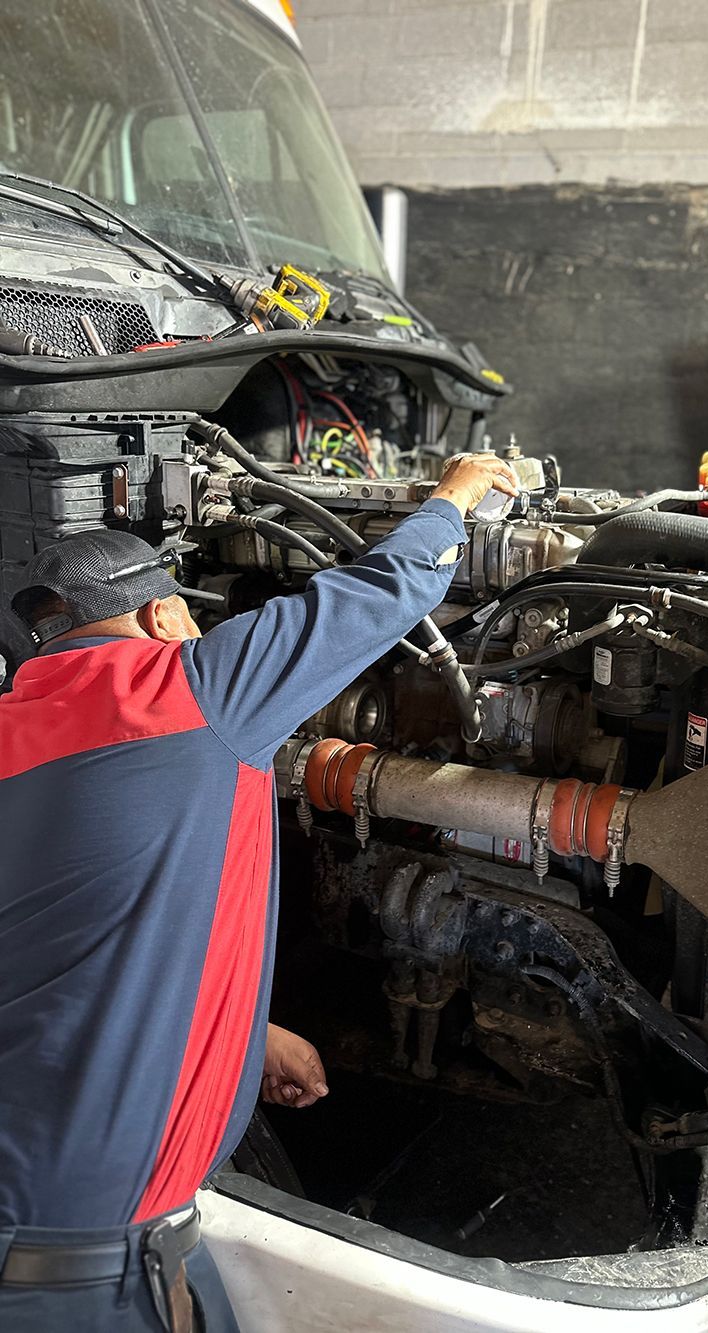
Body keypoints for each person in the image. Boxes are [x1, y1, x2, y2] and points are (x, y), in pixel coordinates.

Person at [0, 451, 517, 1331]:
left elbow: (77, 940)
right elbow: (385, 590)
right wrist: (457, 495)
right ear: (166, 613)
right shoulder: (191, 689)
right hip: (87, 1273)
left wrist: (240, 1037)